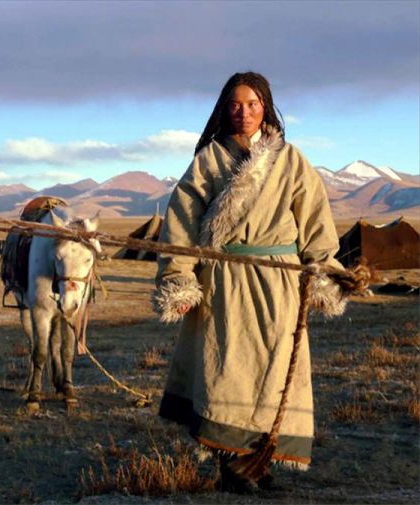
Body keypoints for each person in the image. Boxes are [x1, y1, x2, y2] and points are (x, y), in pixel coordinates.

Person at [153, 72, 348, 493]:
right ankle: (232, 468)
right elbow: (181, 224)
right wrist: (180, 279)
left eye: (253, 105)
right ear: (225, 109)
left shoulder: (290, 160)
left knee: (275, 372)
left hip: (280, 284)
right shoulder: (208, 159)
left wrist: (325, 275)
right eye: (236, 105)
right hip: (227, 283)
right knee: (227, 370)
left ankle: (261, 463)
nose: (245, 113)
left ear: (267, 107)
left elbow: (315, 220)